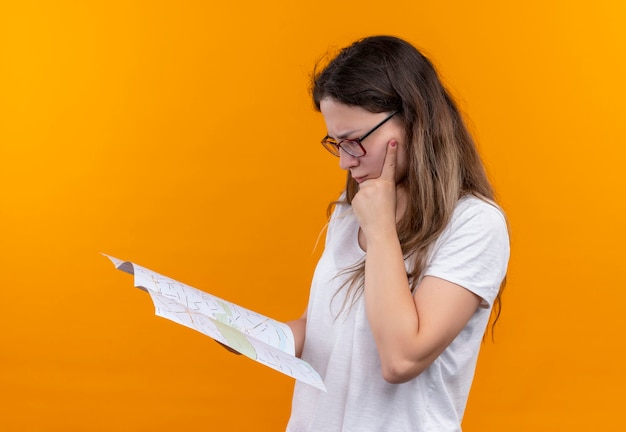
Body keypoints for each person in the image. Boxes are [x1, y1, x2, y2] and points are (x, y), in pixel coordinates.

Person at [285, 35, 510, 432]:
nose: (344, 162)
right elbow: (322, 325)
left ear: (412, 117)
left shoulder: (475, 224)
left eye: (355, 141)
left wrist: (380, 230)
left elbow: (401, 359)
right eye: (336, 143)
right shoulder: (353, 205)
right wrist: (247, 333)